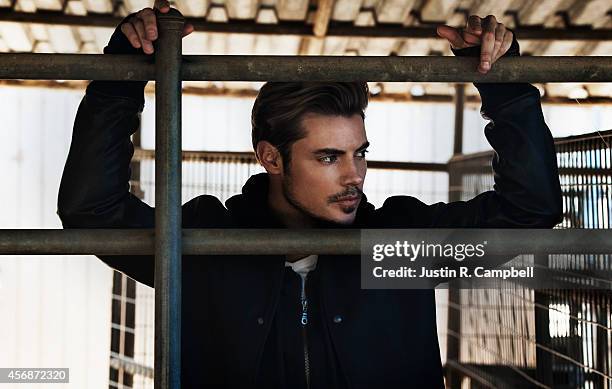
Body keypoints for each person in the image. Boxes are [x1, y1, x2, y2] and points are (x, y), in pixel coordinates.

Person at [57, 1, 562, 388]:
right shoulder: (209, 246)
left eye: (359, 153)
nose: (355, 175)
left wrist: (506, 87)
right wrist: (119, 79)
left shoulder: (393, 246)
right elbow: (92, 213)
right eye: (328, 157)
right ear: (271, 158)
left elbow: (528, 211)